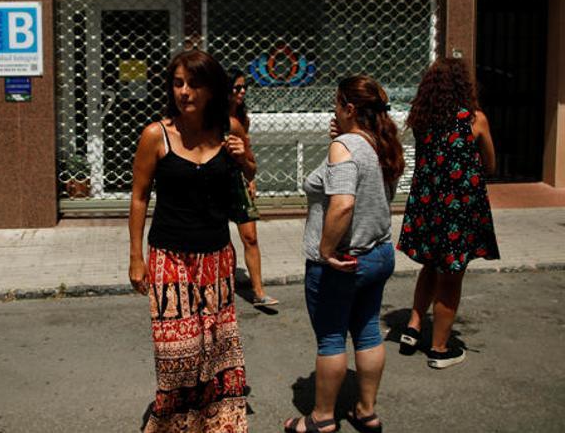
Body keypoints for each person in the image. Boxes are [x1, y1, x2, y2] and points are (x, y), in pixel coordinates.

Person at [129, 49, 256, 432]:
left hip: (216, 256)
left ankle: (216, 422)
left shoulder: (229, 130)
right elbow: (138, 196)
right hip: (169, 255)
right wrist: (136, 257)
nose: (185, 91)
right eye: (178, 83)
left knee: (215, 346)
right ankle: (173, 422)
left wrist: (244, 158)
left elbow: (249, 179)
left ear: (212, 89)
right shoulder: (157, 134)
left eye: (194, 84)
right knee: (177, 350)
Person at [284, 76, 404, 433]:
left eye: (337, 103)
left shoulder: (346, 147)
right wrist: (341, 138)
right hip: (379, 253)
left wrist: (325, 249)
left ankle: (321, 418)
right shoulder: (381, 144)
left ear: (350, 109)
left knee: (332, 337)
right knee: (367, 330)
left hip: (344, 259)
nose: (332, 109)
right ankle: (366, 411)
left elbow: (343, 205)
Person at [397, 58, 500, 369]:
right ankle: (439, 348)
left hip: (427, 206)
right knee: (451, 278)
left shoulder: (422, 119)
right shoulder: (473, 120)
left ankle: (413, 328)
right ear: (463, 84)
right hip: (458, 210)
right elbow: (490, 165)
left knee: (430, 265)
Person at [228, 68, 278, 307]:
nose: (242, 91)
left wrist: (250, 179)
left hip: (237, 180)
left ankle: (258, 291)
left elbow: (248, 154)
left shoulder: (241, 119)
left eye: (244, 87)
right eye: (237, 87)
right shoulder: (208, 118)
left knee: (250, 236)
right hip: (213, 183)